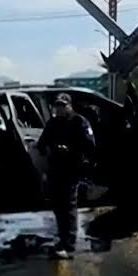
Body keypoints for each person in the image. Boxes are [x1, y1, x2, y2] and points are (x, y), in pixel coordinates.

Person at [36, 93, 95, 259]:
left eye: (63, 105)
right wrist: (50, 149)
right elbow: (41, 144)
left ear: (70, 106)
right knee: (58, 207)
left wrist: (70, 149)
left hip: (72, 169)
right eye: (58, 106)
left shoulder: (79, 122)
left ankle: (69, 246)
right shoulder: (53, 123)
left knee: (69, 207)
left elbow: (90, 146)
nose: (60, 108)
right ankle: (62, 240)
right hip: (55, 170)